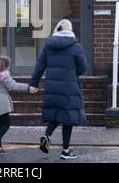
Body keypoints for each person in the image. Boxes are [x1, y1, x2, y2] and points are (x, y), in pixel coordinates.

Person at [29, 19, 87, 160]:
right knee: (68, 119)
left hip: (52, 87)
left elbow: (40, 66)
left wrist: (34, 83)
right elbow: (83, 68)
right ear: (70, 30)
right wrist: (74, 73)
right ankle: (65, 151)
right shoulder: (75, 46)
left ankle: (47, 135)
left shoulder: (48, 46)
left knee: (56, 114)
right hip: (69, 87)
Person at [0, 55, 35, 154]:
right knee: (5, 125)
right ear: (7, 66)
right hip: (2, 104)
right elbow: (13, 86)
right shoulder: (4, 76)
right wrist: (28, 88)